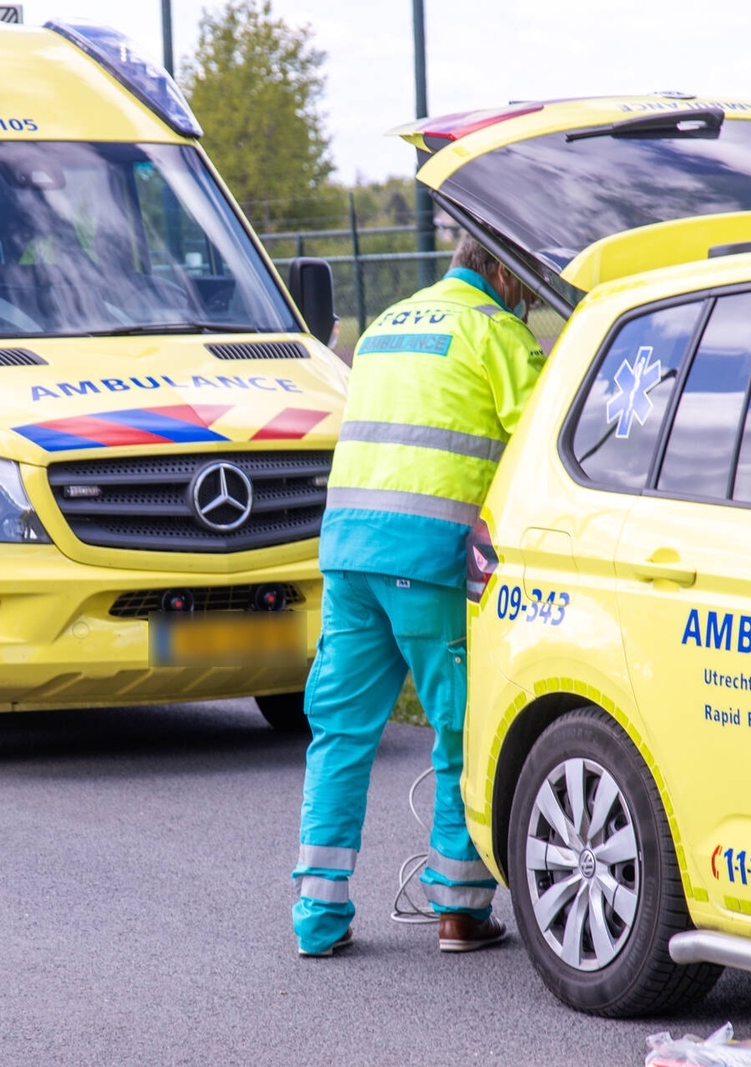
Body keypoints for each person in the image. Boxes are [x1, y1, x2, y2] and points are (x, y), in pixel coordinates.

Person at [292, 235, 546, 958]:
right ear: (502, 269)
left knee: (341, 734)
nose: (529, 299)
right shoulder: (497, 332)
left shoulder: (384, 326)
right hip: (427, 561)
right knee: (460, 734)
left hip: (349, 555)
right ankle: (460, 910)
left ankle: (317, 915)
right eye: (527, 282)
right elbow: (545, 443)